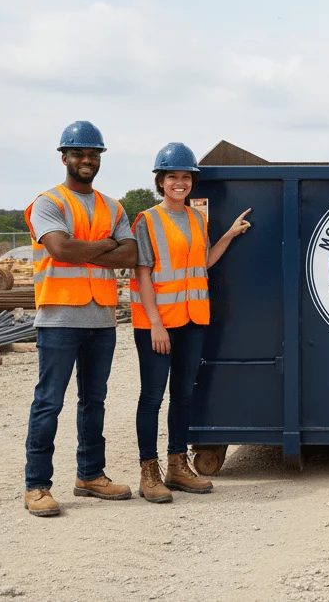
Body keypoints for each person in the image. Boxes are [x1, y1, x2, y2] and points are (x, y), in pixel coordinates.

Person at [23, 121, 139, 518]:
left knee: (94, 402)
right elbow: (59, 250)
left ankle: (91, 475)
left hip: (101, 319)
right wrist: (108, 243)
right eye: (79, 154)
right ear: (65, 157)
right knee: (49, 403)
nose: (87, 160)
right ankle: (37, 485)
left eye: (94, 155)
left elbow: (129, 255)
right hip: (58, 318)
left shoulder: (113, 206)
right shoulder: (48, 203)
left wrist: (85, 249)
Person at [131, 142, 252, 503]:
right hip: (159, 324)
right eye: (172, 177)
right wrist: (155, 324)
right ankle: (148, 472)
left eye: (185, 177)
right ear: (161, 181)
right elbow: (142, 275)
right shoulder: (147, 220)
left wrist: (229, 234)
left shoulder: (198, 218)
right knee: (152, 397)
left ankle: (177, 466)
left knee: (183, 396)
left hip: (192, 320)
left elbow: (203, 264)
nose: (180, 183)